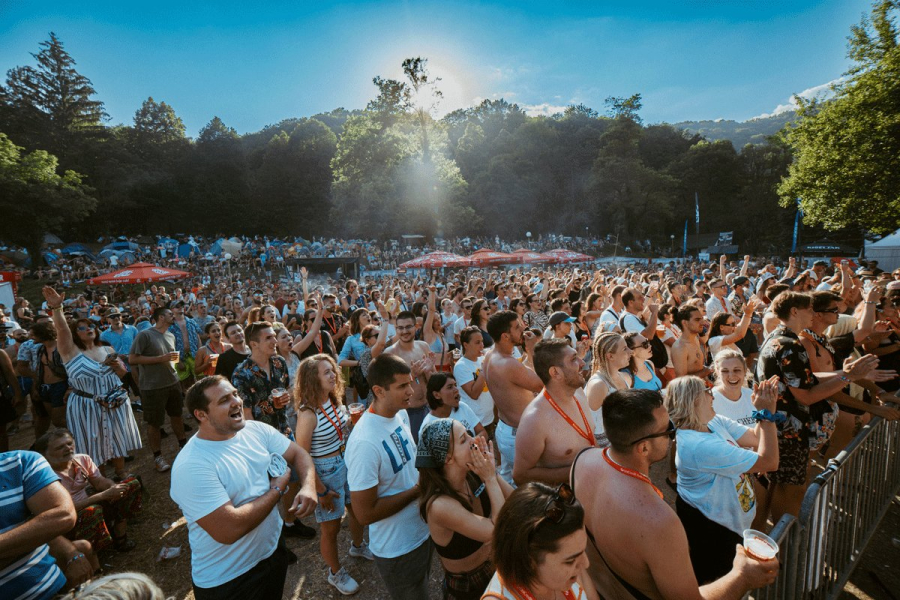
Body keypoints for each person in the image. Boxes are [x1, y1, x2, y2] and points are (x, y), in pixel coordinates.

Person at [570, 388, 779, 600]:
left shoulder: (581, 461)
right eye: (668, 429)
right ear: (643, 448)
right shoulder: (659, 522)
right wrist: (742, 576)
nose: (675, 433)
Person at [170, 375, 318, 600]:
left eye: (235, 394)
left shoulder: (255, 430)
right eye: (223, 400)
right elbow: (229, 530)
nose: (236, 402)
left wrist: (308, 486)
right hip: (230, 579)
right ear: (201, 415)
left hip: (273, 552)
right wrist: (276, 490)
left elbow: (298, 453)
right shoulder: (192, 465)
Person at [755, 291, 891, 523]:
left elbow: (806, 378)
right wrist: (847, 377)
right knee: (790, 491)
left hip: (781, 429)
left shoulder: (778, 338)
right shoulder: (791, 345)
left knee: (779, 486)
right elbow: (806, 396)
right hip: (790, 432)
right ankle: (784, 546)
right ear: (795, 311)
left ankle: (774, 541)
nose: (813, 314)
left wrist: (846, 374)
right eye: (809, 309)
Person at [665, 376, 780, 584]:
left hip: (730, 525)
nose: (712, 394)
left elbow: (755, 438)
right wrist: (767, 414)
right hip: (713, 530)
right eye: (706, 390)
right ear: (693, 400)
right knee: (720, 585)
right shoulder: (697, 445)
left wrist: (762, 412)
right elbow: (769, 461)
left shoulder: (712, 421)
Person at [345, 354, 432, 600]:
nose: (412, 390)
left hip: (421, 532)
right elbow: (364, 513)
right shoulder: (364, 442)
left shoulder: (400, 415)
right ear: (378, 391)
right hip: (397, 549)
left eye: (411, 382)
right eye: (402, 386)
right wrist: (417, 490)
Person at [42, 288, 142, 480]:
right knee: (92, 440)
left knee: (116, 435)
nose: (89, 329)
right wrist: (57, 308)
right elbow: (62, 329)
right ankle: (100, 478)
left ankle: (121, 472)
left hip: (114, 402)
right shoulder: (70, 352)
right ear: (74, 334)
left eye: (91, 326)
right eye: (81, 328)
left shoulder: (106, 348)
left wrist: (116, 366)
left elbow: (122, 374)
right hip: (87, 405)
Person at [294, 354, 371, 596]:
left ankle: (358, 546)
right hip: (325, 472)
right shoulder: (308, 414)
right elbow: (302, 457)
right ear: (312, 379)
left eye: (333, 370)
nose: (333, 375)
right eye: (326, 372)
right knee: (331, 528)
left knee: (357, 512)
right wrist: (321, 490)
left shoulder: (334, 399)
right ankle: (335, 572)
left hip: (346, 461)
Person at [417, 419, 513, 600]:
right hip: (469, 586)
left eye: (469, 434)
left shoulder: (472, 473)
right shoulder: (439, 506)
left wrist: (492, 473)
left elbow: (515, 500)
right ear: (447, 458)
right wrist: (490, 479)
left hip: (496, 565)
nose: (474, 440)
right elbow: (495, 531)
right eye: (463, 440)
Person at [0, 450, 94, 600]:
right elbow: (43, 525)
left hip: (51, 591)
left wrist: (70, 552)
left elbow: (62, 516)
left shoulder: (21, 462)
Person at [480, 482, 599, 600]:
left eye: (583, 550)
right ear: (529, 561)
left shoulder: (574, 565)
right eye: (570, 561)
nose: (585, 563)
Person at [35, 429, 143, 553]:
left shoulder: (82, 459)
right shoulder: (44, 477)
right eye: (60, 447)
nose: (68, 448)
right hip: (69, 519)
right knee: (92, 511)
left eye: (69, 443)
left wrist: (112, 487)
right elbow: (63, 511)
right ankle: (92, 552)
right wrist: (101, 496)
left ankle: (120, 537)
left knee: (131, 484)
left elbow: (99, 481)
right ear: (45, 455)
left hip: (92, 503)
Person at [513, 339, 594, 486]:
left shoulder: (579, 393)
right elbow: (520, 475)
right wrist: (579, 469)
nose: (582, 363)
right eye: (574, 359)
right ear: (555, 372)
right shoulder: (535, 420)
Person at [482, 311, 543, 485]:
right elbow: (541, 383)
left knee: (509, 481)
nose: (523, 328)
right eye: (517, 327)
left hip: (504, 429)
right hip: (517, 435)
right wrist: (533, 350)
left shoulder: (490, 355)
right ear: (505, 336)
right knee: (529, 487)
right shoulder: (508, 363)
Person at [128, 305, 186, 473]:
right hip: (152, 387)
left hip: (172, 382)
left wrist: (177, 363)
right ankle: (158, 457)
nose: (173, 316)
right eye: (170, 314)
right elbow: (132, 359)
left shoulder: (170, 335)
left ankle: (183, 447)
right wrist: (161, 358)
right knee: (154, 423)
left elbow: (171, 358)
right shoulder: (144, 335)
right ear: (161, 317)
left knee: (177, 416)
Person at [384, 310, 435, 442]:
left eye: (408, 327)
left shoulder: (423, 346)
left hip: (429, 408)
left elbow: (434, 382)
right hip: (408, 413)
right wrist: (412, 376)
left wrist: (428, 372)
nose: (404, 331)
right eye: (400, 328)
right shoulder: (390, 353)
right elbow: (389, 389)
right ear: (396, 329)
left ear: (416, 327)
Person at [584, 332, 632, 447]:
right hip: (606, 448)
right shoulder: (599, 385)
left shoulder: (625, 377)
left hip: (622, 440)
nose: (631, 352)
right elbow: (591, 426)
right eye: (625, 349)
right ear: (610, 356)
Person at [454, 326, 495, 438]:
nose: (482, 345)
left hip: (489, 418)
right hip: (475, 423)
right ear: (466, 345)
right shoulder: (461, 366)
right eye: (477, 342)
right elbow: (474, 394)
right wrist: (483, 369)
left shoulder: (482, 359)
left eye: (482, 341)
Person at [420, 372, 486, 440]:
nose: (456, 390)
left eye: (455, 385)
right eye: (450, 387)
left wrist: (471, 443)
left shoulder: (462, 407)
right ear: (437, 395)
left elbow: (482, 432)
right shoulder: (429, 427)